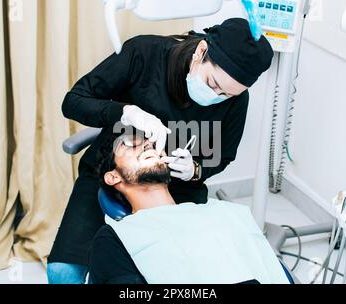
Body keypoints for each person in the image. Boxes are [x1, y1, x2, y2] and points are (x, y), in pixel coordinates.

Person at [47, 18, 274, 284]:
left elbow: (222, 155)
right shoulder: (144, 53)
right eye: (213, 84)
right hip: (111, 171)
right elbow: (72, 102)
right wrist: (124, 112)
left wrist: (196, 169)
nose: (217, 96)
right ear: (201, 51)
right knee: (63, 273)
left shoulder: (235, 100)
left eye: (227, 94)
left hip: (180, 189)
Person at [87, 131, 289, 284]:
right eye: (130, 145)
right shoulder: (115, 238)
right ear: (113, 176)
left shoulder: (224, 212)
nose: (148, 146)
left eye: (151, 144)